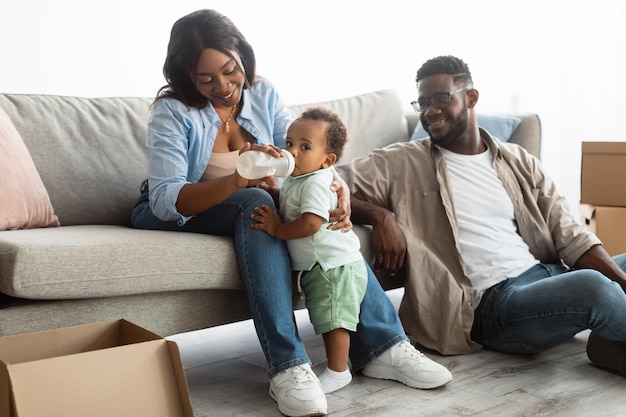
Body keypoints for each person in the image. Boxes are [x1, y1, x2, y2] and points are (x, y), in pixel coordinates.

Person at [131, 10, 452, 417]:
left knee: (317, 220)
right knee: (257, 202)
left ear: (242, 56)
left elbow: (307, 157)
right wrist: (236, 181)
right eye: (205, 79)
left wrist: (337, 188)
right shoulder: (172, 111)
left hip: (246, 203)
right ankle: (289, 366)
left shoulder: (262, 93)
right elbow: (164, 198)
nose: (225, 87)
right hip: (178, 210)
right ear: (185, 75)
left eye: (231, 71)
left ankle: (386, 347)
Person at [337, 54, 626, 376]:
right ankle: (610, 335)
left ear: (471, 97)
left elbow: (569, 233)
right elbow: (326, 182)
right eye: (422, 103)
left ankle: (609, 346)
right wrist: (379, 215)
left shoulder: (518, 160)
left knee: (612, 271)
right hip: (493, 306)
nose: (430, 111)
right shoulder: (400, 161)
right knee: (594, 286)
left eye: (441, 99)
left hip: (546, 276)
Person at [252, 107, 368, 394]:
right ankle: (338, 366)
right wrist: (274, 191)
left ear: (327, 160)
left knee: (334, 321)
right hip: (325, 264)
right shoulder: (299, 178)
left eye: (305, 147)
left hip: (331, 266)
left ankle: (338, 371)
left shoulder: (317, 181)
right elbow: (296, 206)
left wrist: (277, 229)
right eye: (289, 143)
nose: (292, 151)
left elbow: (311, 222)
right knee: (327, 316)